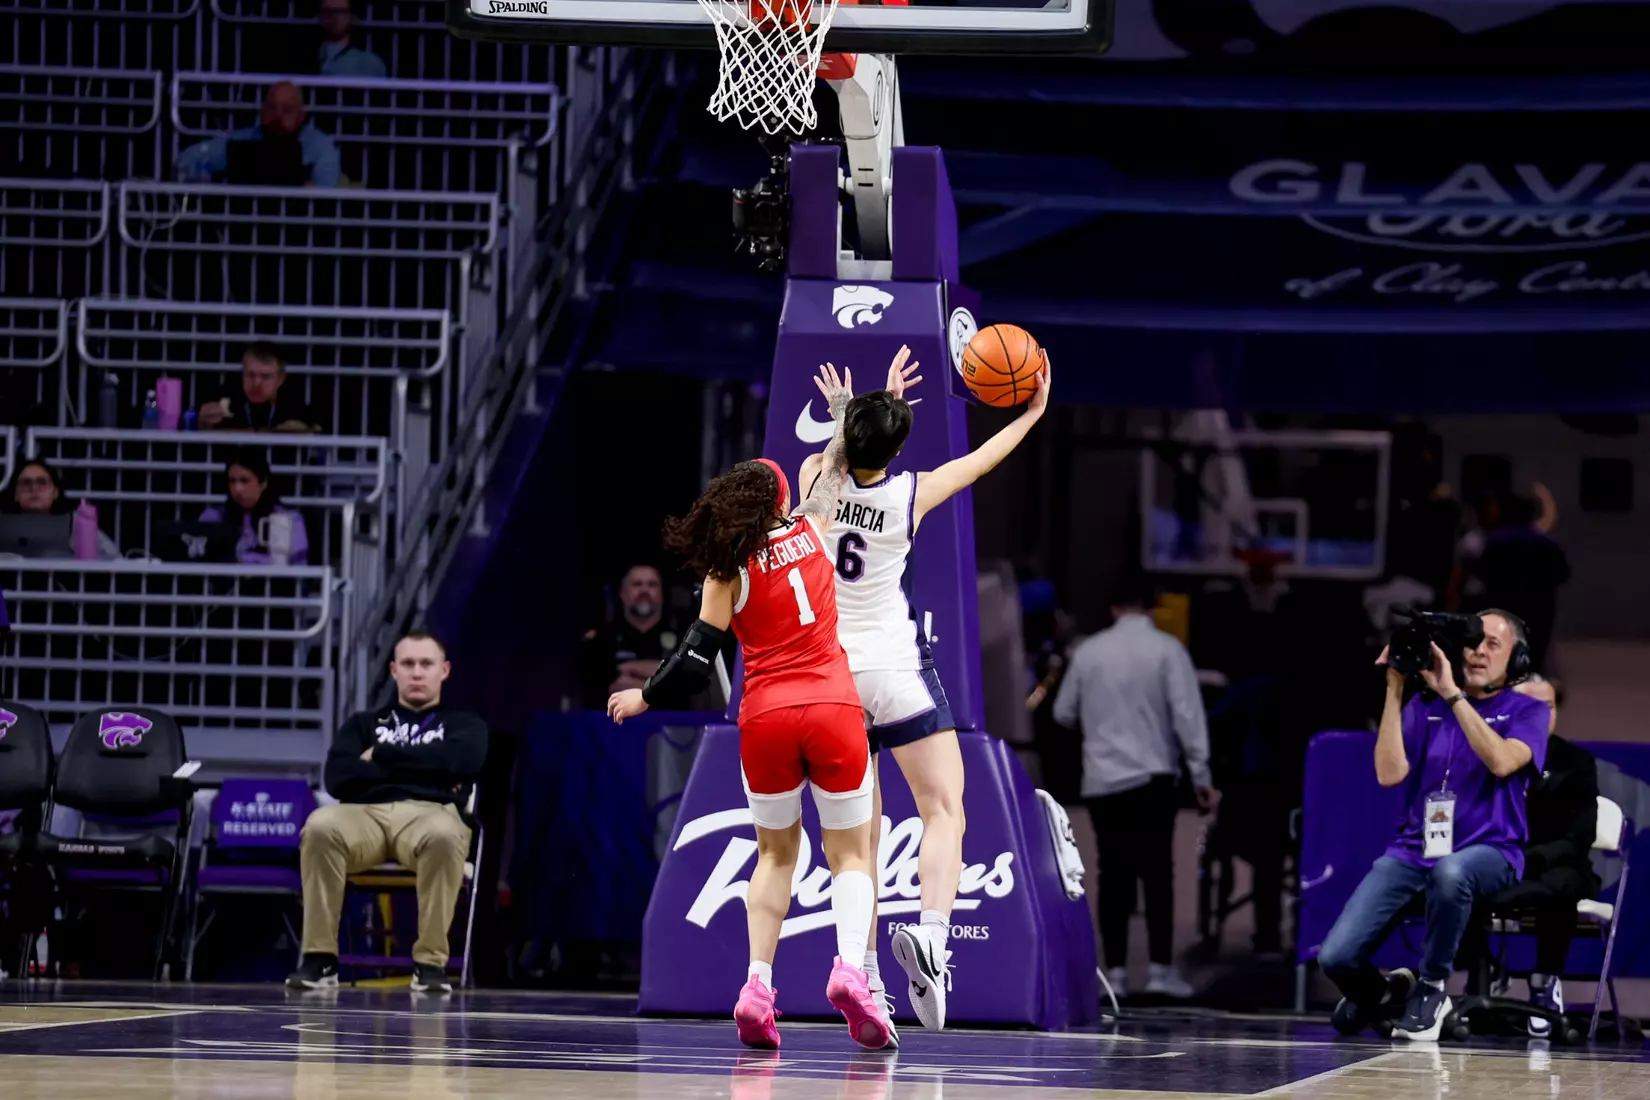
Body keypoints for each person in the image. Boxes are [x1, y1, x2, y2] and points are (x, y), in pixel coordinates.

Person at [608, 378, 888, 1052]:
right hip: (830, 703)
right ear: (778, 503)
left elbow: (697, 658)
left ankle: (757, 984)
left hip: (764, 714)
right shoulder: (813, 525)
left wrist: (644, 697)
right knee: (851, 852)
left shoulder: (724, 574)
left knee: (774, 856)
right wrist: (846, 413)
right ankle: (850, 969)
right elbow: (838, 465)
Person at [795, 347, 1050, 1035]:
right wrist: (1031, 413)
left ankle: (868, 974)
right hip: (896, 670)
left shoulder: (816, 475)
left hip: (832, 679)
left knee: (860, 839)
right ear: (899, 449)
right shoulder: (913, 494)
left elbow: (836, 460)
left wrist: (850, 415)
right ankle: (933, 937)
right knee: (944, 809)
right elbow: (983, 461)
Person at [1318, 609, 1549, 1042]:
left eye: (1492, 645)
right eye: (1473, 644)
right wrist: (1395, 687)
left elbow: (1501, 762)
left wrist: (1453, 695)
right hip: (1413, 849)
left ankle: (1431, 987)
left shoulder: (1527, 711)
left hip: (1492, 850)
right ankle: (1385, 994)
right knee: (1336, 957)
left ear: (1516, 658)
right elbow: (1389, 774)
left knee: (1452, 871)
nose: (1479, 653)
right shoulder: (1425, 708)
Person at [289, 632, 487, 994]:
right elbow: (338, 778)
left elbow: (464, 762)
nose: (416, 673)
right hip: (364, 814)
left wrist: (381, 756)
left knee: (445, 835)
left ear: (444, 671)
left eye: (426, 664)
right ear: (394, 670)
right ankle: (320, 959)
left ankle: (429, 963)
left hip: (431, 814)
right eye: (408, 664)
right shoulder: (363, 724)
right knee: (319, 826)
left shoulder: (464, 725)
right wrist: (433, 770)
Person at [1053, 575, 1216, 999]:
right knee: (1158, 873)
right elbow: (1187, 717)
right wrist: (1201, 776)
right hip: (1153, 779)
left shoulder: (1088, 651)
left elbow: (1063, 711)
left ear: (1112, 608)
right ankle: (1161, 970)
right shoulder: (1167, 650)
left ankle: (1118, 974)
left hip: (1102, 781)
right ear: (1151, 606)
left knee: (1112, 876)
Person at [176, 81, 342, 188]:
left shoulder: (320, 145)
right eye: (271, 107)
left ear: (301, 116)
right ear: (261, 110)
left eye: (287, 110)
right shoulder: (240, 140)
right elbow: (187, 160)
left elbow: (326, 189)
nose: (277, 116)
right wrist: (209, 175)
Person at [580, 564, 681, 708]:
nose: (644, 591)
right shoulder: (602, 638)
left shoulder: (684, 637)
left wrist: (626, 668)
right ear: (622, 593)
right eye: (637, 584)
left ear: (661, 595)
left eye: (652, 585)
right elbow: (605, 688)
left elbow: (686, 685)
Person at [198, 448, 310, 566]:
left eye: (244, 481)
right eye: (232, 481)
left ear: (263, 483)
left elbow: (299, 565)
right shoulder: (212, 517)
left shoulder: (290, 519)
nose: (237, 489)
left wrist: (245, 562)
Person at [0, 459, 120, 560]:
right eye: (26, 483)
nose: (34, 488)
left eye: (42, 482)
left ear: (55, 492)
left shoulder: (76, 524)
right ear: (15, 494)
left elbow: (114, 559)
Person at [197, 342, 324, 433]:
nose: (257, 383)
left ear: (280, 379)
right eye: (250, 375)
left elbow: (315, 429)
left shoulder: (294, 404)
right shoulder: (225, 396)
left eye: (266, 376)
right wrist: (199, 420)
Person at [315, 0, 388, 78]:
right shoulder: (304, 57)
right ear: (319, 15)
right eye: (327, 11)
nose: (334, 16)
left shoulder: (370, 64)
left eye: (340, 11)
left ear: (352, 17)